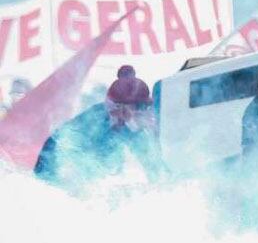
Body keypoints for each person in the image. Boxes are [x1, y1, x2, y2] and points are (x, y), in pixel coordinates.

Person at [34, 65, 163, 189]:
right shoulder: (91, 122)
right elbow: (55, 148)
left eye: (147, 108)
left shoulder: (129, 126)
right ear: (120, 109)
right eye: (142, 108)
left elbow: (151, 164)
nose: (147, 113)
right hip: (65, 180)